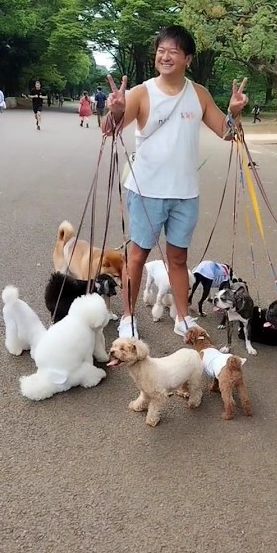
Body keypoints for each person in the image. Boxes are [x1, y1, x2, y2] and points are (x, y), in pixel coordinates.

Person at [101, 25, 248, 339]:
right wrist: (113, 111)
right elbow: (109, 130)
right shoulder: (141, 93)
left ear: (188, 59)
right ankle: (128, 318)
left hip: (185, 193)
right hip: (146, 190)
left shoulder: (198, 94)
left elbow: (228, 132)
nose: (165, 57)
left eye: (173, 52)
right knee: (138, 255)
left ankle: (183, 318)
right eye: (161, 51)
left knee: (178, 258)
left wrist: (234, 113)